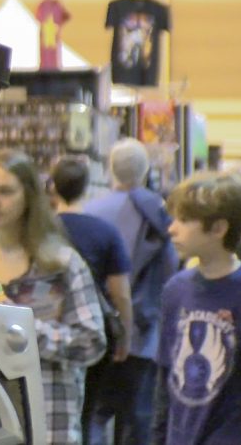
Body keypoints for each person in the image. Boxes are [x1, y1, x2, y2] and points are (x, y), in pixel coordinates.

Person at [0, 149, 105, 444]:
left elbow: (90, 342)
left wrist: (19, 328)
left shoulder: (61, 262)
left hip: (49, 421)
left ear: (29, 195)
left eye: (5, 191)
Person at [152, 172, 241, 444]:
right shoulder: (175, 290)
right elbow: (166, 374)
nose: (171, 228)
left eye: (184, 220)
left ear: (218, 228)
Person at [84, 137, 179, 445]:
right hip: (146, 331)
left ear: (110, 168)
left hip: (99, 328)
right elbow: (170, 271)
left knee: (95, 413)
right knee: (139, 415)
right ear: (145, 170)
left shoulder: (91, 212)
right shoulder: (159, 213)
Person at [47, 156, 134, 442]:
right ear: (86, 188)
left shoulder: (42, 232)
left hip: (47, 333)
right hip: (92, 329)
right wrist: (125, 336)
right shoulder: (105, 232)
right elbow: (120, 292)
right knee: (86, 412)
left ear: (52, 189)